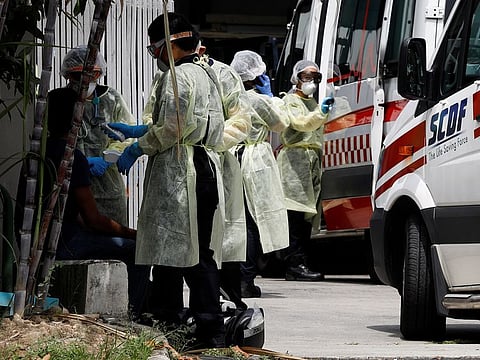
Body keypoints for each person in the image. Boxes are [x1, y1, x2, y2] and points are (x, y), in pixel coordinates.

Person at [106, 13, 227, 348]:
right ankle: (174, 320)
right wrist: (142, 131)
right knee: (179, 251)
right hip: (202, 165)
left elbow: (173, 128)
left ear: (170, 45)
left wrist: (138, 146)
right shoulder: (208, 74)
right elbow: (190, 123)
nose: (155, 56)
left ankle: (201, 326)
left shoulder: (178, 77)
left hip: (180, 171)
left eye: (154, 49)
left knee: (184, 252)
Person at [44, 87, 149, 319]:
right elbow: (93, 220)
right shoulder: (72, 156)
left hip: (51, 238)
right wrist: (134, 234)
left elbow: (79, 216)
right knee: (137, 251)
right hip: (65, 243)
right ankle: (132, 315)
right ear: (77, 117)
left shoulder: (40, 151)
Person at [230, 50, 290, 297]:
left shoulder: (230, 97)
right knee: (253, 221)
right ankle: (246, 279)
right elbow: (281, 122)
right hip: (255, 161)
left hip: (233, 157)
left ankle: (233, 278)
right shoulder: (259, 100)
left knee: (236, 219)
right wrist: (272, 97)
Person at [60, 45, 136, 226]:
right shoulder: (61, 100)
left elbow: (127, 131)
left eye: (91, 74)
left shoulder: (111, 99)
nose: (85, 80)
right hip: (72, 186)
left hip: (108, 185)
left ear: (99, 74)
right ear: (67, 75)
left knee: (114, 241)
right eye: (78, 75)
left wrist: (109, 157)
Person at [277, 60, 334, 281]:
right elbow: (301, 124)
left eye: (315, 78)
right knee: (294, 215)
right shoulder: (289, 101)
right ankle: (294, 263)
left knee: (306, 217)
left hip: (311, 162)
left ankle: (300, 261)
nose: (311, 82)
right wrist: (321, 112)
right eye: (307, 77)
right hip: (295, 162)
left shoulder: (314, 103)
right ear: (296, 78)